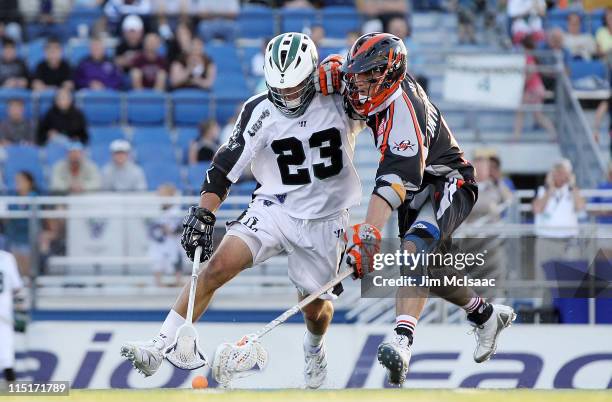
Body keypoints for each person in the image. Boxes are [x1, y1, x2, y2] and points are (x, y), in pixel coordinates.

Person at [121, 32, 366, 389]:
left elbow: (381, 100)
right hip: (274, 208)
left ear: (313, 76)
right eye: (279, 88)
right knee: (217, 266)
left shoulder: (340, 101)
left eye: (295, 87)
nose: (287, 96)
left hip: (326, 219)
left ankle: (314, 348)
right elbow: (224, 167)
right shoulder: (259, 109)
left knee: (314, 310)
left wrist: (345, 72)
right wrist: (205, 212)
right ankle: (159, 346)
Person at [319, 33, 515, 385]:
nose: (358, 83)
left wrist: (369, 235)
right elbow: (340, 72)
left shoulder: (405, 111)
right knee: (432, 273)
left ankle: (402, 340)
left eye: (368, 76)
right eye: (357, 74)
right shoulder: (375, 86)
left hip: (447, 180)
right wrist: (329, 70)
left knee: (414, 251)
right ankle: (485, 315)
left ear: (390, 75)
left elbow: (391, 184)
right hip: (417, 185)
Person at [532, 159, 585, 280]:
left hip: (569, 242)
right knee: (544, 280)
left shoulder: (573, 191)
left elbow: (580, 207)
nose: (560, 176)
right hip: (546, 241)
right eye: (557, 172)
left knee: (569, 280)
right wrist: (549, 190)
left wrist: (573, 186)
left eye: (563, 172)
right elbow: (537, 208)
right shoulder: (542, 190)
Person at [513, 34, 557, 141]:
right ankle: (554, 136)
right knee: (537, 116)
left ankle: (516, 138)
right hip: (535, 89)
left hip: (535, 89)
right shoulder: (530, 56)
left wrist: (522, 83)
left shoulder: (529, 57)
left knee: (523, 111)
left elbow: (531, 72)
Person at [148, 184, 183, 287]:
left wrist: (169, 229)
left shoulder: (175, 211)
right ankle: (158, 281)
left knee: (176, 259)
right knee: (158, 260)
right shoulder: (157, 210)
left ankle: (178, 280)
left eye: (164, 195)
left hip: (173, 241)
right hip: (160, 241)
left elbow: (176, 227)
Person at [3, 171, 37, 277]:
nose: (18, 184)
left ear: (29, 183)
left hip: (29, 238)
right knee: (14, 262)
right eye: (16, 181)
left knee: (27, 265)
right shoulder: (12, 198)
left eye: (21, 181)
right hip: (14, 238)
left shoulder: (35, 198)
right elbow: (7, 221)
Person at [0, 249, 24, 385]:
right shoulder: (6, 258)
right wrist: (21, 315)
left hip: (4, 315)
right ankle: (12, 393)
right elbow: (17, 287)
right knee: (7, 357)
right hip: (3, 314)